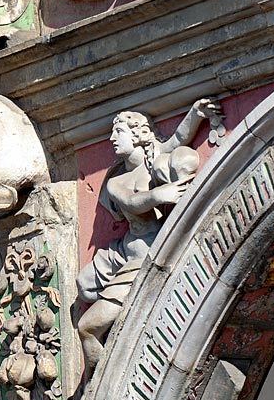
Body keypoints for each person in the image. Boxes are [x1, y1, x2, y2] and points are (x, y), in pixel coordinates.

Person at [77, 99, 222, 374]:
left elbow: (179, 138)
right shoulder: (116, 182)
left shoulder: (156, 159)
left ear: (139, 134)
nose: (111, 139)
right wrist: (157, 196)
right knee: (85, 308)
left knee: (86, 327)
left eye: (118, 132)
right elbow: (132, 203)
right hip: (130, 256)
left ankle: (103, 381)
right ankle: (101, 382)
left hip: (144, 257)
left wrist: (195, 113)